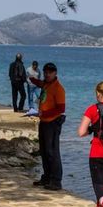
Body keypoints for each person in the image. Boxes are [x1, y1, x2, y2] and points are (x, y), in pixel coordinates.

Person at [29, 62, 65, 190]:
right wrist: (29, 78)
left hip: (53, 122)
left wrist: (44, 113)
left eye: (50, 72)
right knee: (44, 151)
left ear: (55, 73)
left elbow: (61, 108)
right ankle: (47, 177)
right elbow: (39, 83)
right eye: (45, 72)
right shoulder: (46, 84)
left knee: (52, 152)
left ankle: (56, 180)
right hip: (44, 121)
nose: (47, 74)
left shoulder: (58, 88)